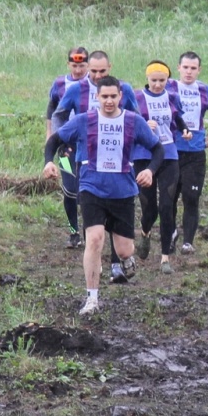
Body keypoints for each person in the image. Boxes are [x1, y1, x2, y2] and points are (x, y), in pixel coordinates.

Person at [45, 75, 158, 315]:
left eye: (113, 96)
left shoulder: (133, 121)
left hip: (123, 192)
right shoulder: (84, 121)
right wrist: (48, 163)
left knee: (125, 249)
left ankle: (127, 260)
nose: (109, 101)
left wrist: (149, 169)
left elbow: (157, 148)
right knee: (94, 240)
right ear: (97, 98)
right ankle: (92, 299)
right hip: (91, 188)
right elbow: (54, 140)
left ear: (121, 97)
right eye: (104, 96)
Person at [133, 62, 184, 270]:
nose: (157, 85)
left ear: (167, 80)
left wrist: (186, 130)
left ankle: (165, 258)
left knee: (166, 205)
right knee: (149, 208)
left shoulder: (172, 96)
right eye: (153, 80)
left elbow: (178, 119)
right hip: (143, 156)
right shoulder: (136, 97)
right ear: (147, 79)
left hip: (169, 154)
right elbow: (129, 121)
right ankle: (145, 232)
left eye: (161, 81)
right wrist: (144, 123)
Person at [172, 52, 208, 253]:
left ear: (199, 70)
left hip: (195, 152)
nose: (189, 72)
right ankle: (171, 234)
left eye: (193, 68)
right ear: (179, 68)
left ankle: (188, 242)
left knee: (191, 197)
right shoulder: (168, 87)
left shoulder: (205, 90)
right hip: (171, 152)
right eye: (185, 67)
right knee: (169, 198)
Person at [46, 47, 89, 248]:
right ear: (68, 65)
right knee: (69, 189)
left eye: (82, 66)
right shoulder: (60, 84)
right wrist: (51, 138)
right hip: (65, 145)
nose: (78, 70)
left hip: (89, 146)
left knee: (86, 190)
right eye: (74, 65)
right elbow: (52, 112)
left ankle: (92, 231)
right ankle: (73, 232)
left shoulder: (97, 86)